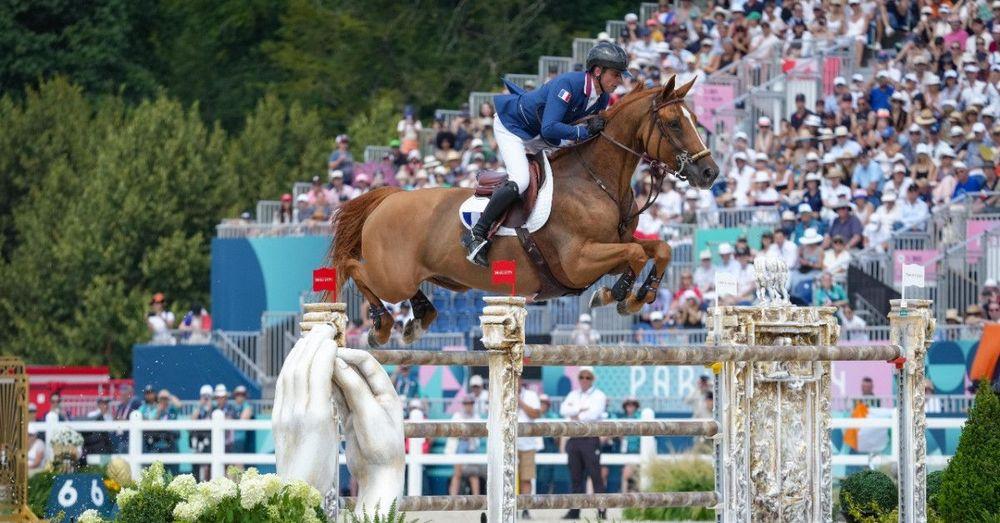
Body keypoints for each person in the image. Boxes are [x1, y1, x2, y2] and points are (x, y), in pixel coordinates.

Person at [463, 42, 630, 266]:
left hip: (541, 136)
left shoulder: (601, 98)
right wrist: (581, 131)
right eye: (616, 74)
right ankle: (477, 233)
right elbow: (550, 127)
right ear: (598, 71)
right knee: (520, 181)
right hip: (513, 128)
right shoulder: (568, 84)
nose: (619, 81)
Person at [559, 366, 608, 520]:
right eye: (582, 377)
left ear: (592, 379)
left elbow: (593, 414)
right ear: (578, 378)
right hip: (574, 439)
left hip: (590, 439)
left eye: (588, 377)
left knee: (596, 476)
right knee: (575, 477)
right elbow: (563, 410)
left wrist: (575, 412)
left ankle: (601, 511)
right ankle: (575, 510)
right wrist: (581, 410)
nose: (584, 380)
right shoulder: (573, 394)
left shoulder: (599, 395)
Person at [516, 377, 543, 519]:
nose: (515, 382)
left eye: (517, 379)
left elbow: (536, 414)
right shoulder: (504, 393)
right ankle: (511, 507)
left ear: (521, 381)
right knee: (509, 479)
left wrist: (519, 402)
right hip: (509, 444)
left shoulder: (531, 395)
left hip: (528, 444)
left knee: (526, 478)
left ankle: (525, 509)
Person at [448, 397, 484, 495]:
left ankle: (476, 500)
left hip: (472, 447)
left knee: (474, 475)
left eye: (470, 403)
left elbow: (481, 433)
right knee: (457, 474)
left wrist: (469, 434)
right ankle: (452, 499)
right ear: (463, 405)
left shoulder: (476, 417)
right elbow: (452, 431)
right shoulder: (457, 416)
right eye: (467, 403)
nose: (469, 406)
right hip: (460, 446)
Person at [140, 389, 181, 474]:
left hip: (171, 445)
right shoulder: (154, 410)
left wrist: (168, 395)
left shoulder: (172, 409)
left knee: (175, 473)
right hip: (158, 446)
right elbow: (151, 424)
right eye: (161, 399)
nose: (163, 401)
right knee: (161, 474)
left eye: (165, 399)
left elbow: (179, 405)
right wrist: (158, 411)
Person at [191, 384, 214, 481]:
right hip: (198, 440)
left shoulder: (214, 408)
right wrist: (200, 406)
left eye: (208, 397)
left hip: (210, 440)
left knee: (209, 465)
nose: (205, 399)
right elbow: (192, 420)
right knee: (196, 464)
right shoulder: (197, 408)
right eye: (204, 396)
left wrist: (210, 407)